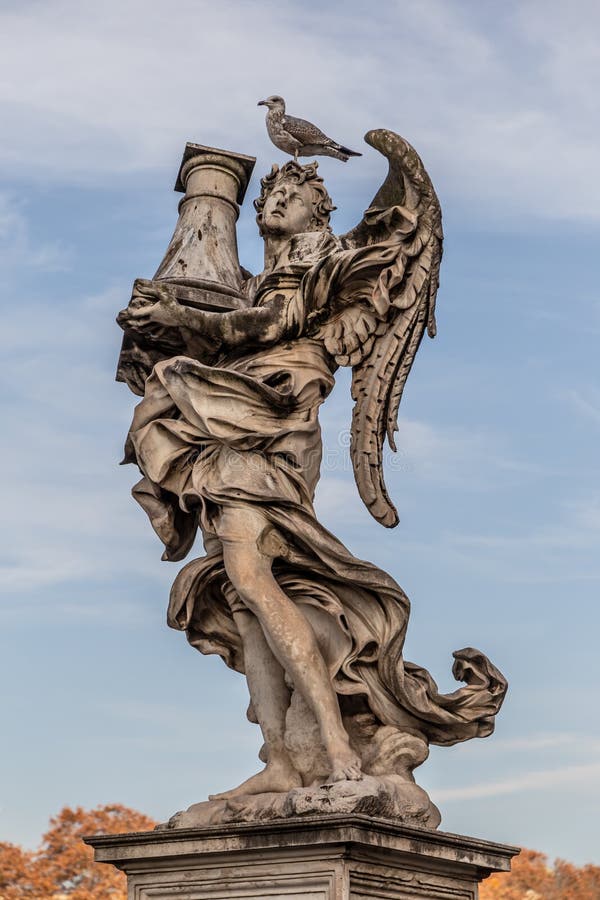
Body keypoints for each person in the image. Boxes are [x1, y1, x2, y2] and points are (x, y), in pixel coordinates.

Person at [118, 160, 505, 800]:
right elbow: (229, 321)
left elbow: (268, 329)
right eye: (267, 193)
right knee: (243, 594)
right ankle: (280, 759)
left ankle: (331, 742)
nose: (273, 203)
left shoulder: (317, 254)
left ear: (317, 210)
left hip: (272, 416)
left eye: (289, 194)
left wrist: (186, 324)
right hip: (230, 417)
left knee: (247, 577)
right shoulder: (254, 276)